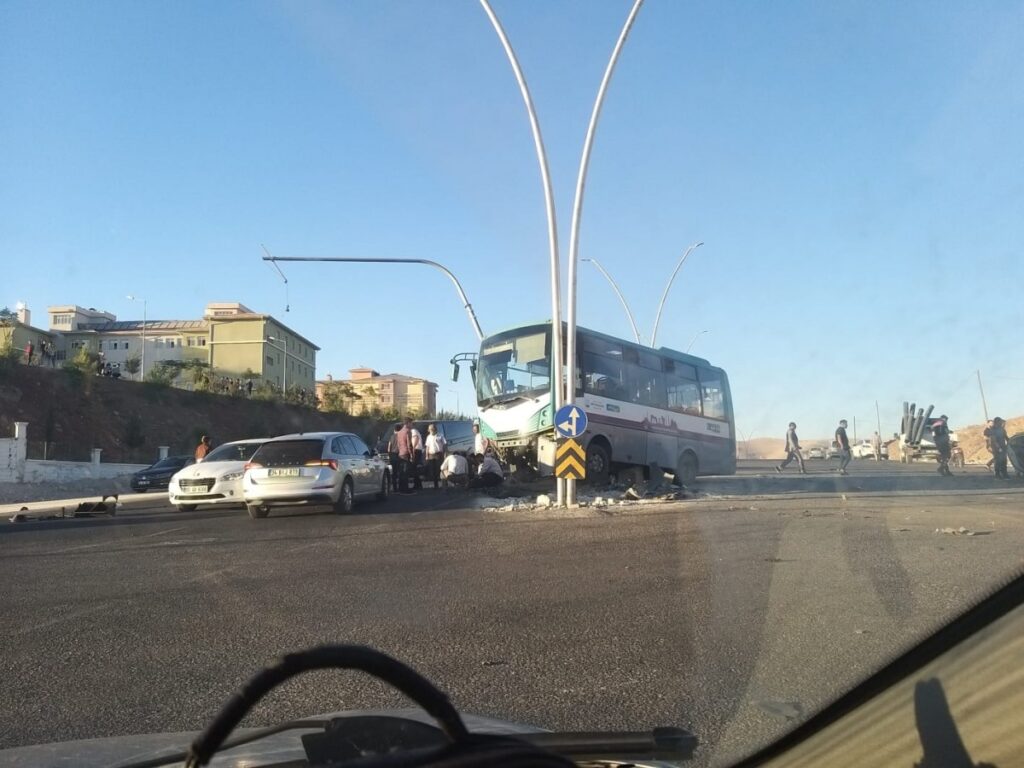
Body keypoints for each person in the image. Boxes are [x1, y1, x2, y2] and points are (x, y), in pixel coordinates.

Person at [424, 423, 447, 490]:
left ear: (434, 429)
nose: (430, 431)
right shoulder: (428, 437)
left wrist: (445, 454)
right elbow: (427, 447)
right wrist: (426, 456)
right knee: (433, 470)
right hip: (431, 455)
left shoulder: (440, 435)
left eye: (431, 429)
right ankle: (435, 485)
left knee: (440, 469)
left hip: (439, 454)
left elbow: (445, 445)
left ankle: (444, 484)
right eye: (429, 429)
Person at [396, 418, 414, 493]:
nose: (412, 425)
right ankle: (405, 489)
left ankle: (401, 488)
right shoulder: (408, 431)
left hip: (400, 453)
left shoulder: (399, 432)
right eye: (411, 423)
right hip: (406, 453)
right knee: (406, 471)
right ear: (408, 423)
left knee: (401, 471)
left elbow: (398, 444)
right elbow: (409, 444)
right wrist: (411, 454)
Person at [386, 425, 401, 492]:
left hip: (392, 455)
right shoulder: (400, 436)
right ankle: (400, 486)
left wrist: (389, 454)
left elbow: (389, 446)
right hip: (398, 454)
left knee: (394, 472)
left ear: (394, 430)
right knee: (399, 471)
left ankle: (394, 488)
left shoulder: (392, 436)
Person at [409, 421, 424, 490]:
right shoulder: (415, 431)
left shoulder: (414, 431)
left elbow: (416, 439)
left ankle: (417, 484)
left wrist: (413, 448)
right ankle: (418, 484)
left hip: (416, 450)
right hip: (417, 450)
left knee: (414, 467)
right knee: (414, 468)